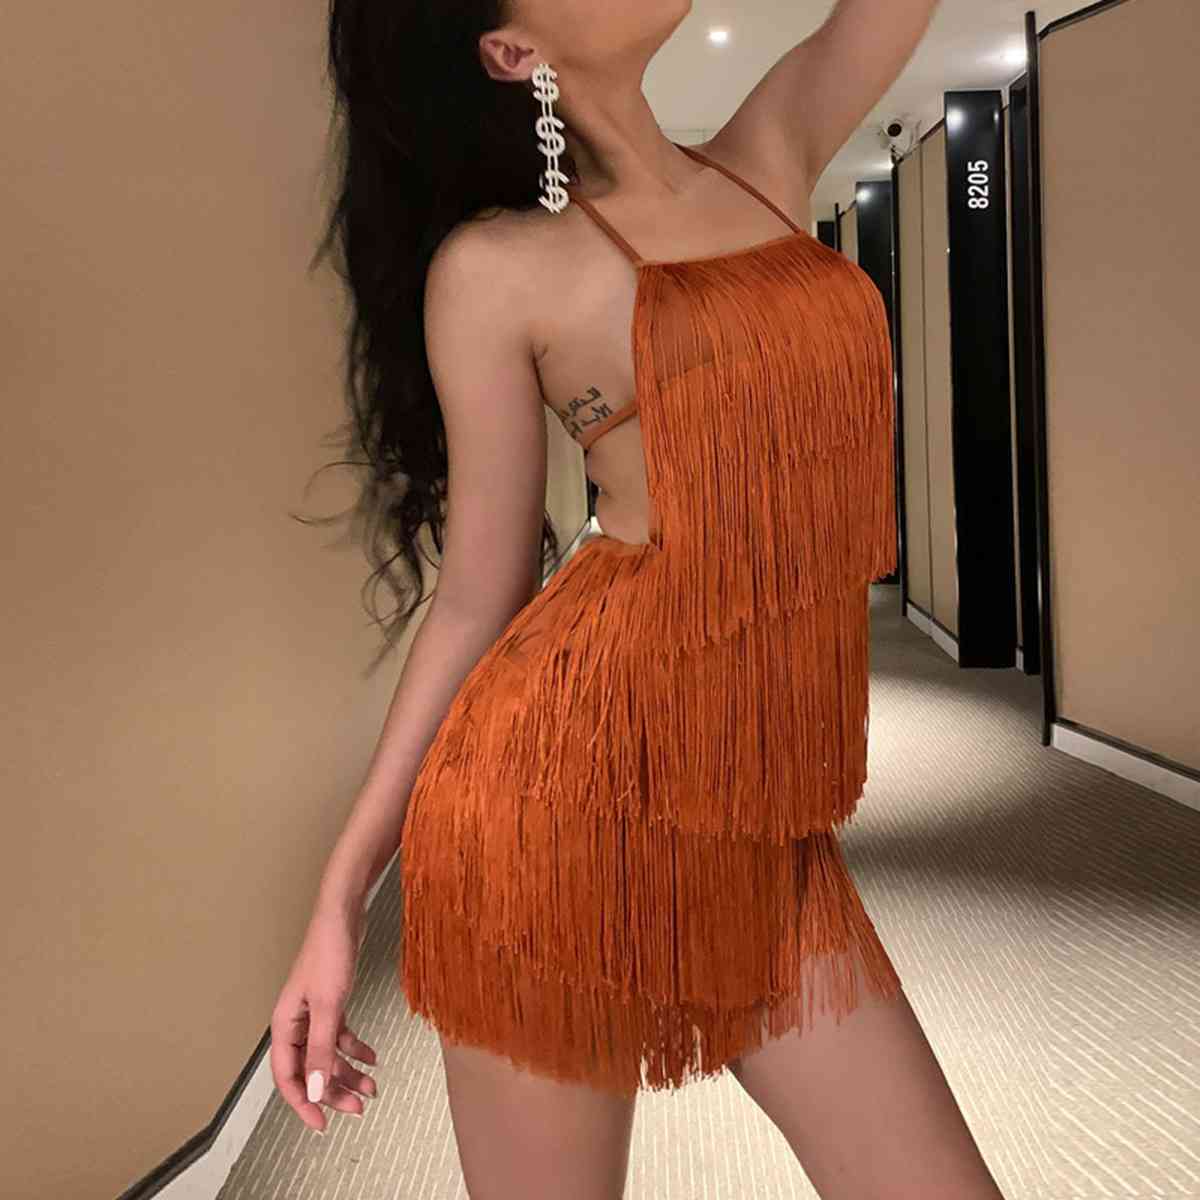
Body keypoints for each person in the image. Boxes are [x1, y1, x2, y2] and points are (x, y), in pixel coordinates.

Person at [271, 1, 1008, 1197]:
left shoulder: (769, 153)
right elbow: (478, 599)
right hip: (554, 818)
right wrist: (340, 893)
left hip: (764, 820)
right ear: (514, 54)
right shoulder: (497, 270)